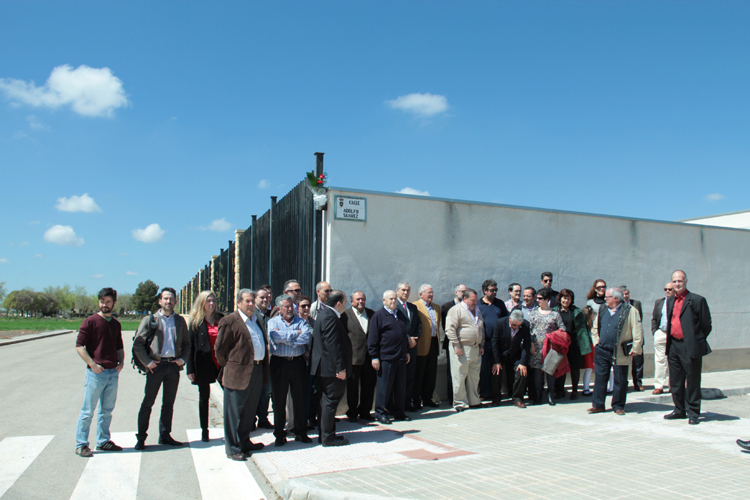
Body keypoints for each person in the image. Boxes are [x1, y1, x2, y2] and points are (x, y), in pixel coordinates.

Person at [133, 287, 190, 450]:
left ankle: (165, 435)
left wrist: (182, 359)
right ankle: (141, 437)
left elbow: (187, 343)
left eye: (171, 299)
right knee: (148, 402)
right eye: (165, 298)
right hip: (155, 367)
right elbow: (138, 344)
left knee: (168, 403)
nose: (168, 301)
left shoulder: (180, 321)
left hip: (173, 366)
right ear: (160, 301)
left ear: (176, 301)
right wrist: (147, 363)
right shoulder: (150, 320)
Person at [215, 289, 269, 461]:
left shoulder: (256, 320)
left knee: (249, 410)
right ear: (238, 303)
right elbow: (220, 349)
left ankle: (244, 441)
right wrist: (231, 366)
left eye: (253, 301)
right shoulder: (229, 321)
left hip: (257, 371)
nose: (251, 304)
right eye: (247, 301)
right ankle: (232, 448)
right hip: (237, 373)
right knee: (234, 413)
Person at [74, 287, 124, 457]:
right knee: (88, 410)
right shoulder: (90, 321)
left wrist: (121, 362)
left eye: (108, 302)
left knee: (107, 410)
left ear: (114, 303)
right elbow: (79, 346)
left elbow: (119, 346)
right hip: (96, 373)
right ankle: (81, 444)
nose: (105, 304)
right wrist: (92, 364)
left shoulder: (116, 324)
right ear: (99, 302)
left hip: (112, 373)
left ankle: (103, 441)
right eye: (102, 301)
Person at [664, 270, 712, 425]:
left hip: (689, 346)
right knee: (676, 381)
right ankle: (679, 410)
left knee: (692, 380)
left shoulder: (697, 300)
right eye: (675, 281)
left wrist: (695, 340)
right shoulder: (670, 300)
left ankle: (693, 412)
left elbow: (706, 325)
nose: (677, 284)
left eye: (680, 281)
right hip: (673, 345)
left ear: (686, 281)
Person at [587, 287, 643, 416]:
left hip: (620, 350)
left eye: (607, 297)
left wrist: (636, 347)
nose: (605, 299)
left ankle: (618, 405)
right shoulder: (603, 309)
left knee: (620, 379)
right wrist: (596, 342)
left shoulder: (630, 311)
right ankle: (598, 405)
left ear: (616, 299)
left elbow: (637, 330)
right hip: (602, 350)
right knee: (600, 378)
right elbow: (595, 327)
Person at [267, 294, 313, 446]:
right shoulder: (272, 322)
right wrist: (295, 336)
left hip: (297, 363)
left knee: (299, 398)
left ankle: (300, 432)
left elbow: (306, 337)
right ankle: (280, 434)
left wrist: (287, 339)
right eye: (286, 307)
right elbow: (274, 336)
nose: (289, 309)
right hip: (279, 363)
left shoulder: (301, 321)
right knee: (279, 400)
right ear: (279, 308)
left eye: (291, 306)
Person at [310, 290, 352, 446]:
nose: (346, 304)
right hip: (330, 369)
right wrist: (340, 368)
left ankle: (326, 434)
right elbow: (332, 345)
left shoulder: (326, 315)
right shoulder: (329, 317)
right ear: (339, 303)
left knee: (326, 402)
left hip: (326, 368)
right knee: (330, 402)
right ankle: (328, 437)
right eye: (346, 301)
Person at [369, 290, 411, 424]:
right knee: (384, 387)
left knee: (400, 387)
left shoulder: (400, 314)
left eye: (394, 299)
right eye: (390, 299)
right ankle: (380, 412)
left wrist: (407, 351)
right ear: (384, 300)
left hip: (400, 356)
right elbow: (373, 338)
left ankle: (399, 412)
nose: (393, 301)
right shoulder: (379, 316)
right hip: (386, 357)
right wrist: (374, 356)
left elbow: (404, 334)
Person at [187, 290, 224, 442]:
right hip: (203, 364)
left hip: (221, 364)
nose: (211, 304)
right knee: (204, 398)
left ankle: (232, 426)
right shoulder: (196, 322)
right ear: (202, 303)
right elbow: (190, 347)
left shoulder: (221, 319)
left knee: (231, 395)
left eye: (213, 301)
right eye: (208, 301)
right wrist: (190, 369)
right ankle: (204, 430)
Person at [445, 288, 485, 412]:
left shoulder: (477, 311)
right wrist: (456, 345)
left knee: (474, 376)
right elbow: (450, 329)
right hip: (462, 348)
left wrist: (481, 344)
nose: (475, 302)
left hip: (475, 348)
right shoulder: (456, 310)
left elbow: (481, 328)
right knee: (459, 375)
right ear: (465, 299)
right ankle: (459, 403)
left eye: (476, 300)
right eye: (473, 300)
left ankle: (474, 401)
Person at [342, 291, 376, 422]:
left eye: (363, 299)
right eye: (358, 299)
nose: (360, 301)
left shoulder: (372, 314)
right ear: (351, 302)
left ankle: (365, 411)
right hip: (353, 358)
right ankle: (352, 412)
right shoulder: (345, 315)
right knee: (352, 387)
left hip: (369, 357)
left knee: (368, 386)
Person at [527, 287, 565, 406]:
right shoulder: (533, 313)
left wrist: (553, 338)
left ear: (547, 299)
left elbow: (562, 329)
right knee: (537, 371)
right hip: (536, 347)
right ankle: (538, 395)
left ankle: (550, 394)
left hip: (550, 347)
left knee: (550, 371)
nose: (537, 300)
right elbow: (528, 330)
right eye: (537, 298)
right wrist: (531, 344)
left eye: (540, 298)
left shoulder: (555, 314)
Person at [553, 289, 592, 400]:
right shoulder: (555, 311)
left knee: (574, 368)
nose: (566, 301)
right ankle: (560, 390)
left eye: (568, 298)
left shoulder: (576, 311)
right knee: (560, 367)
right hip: (560, 345)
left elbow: (582, 330)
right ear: (560, 299)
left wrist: (585, 345)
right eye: (564, 298)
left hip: (574, 345)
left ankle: (574, 390)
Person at [477, 279, 509, 405]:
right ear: (485, 291)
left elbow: (505, 321)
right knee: (484, 369)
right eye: (492, 290)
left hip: (497, 343)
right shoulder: (478, 305)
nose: (494, 292)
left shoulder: (500, 304)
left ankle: (496, 393)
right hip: (484, 342)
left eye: (496, 290)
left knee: (497, 369)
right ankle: (485, 393)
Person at [492, 310, 531, 408]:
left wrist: (523, 362)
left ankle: (517, 398)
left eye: (519, 325)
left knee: (521, 372)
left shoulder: (525, 325)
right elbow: (494, 342)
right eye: (514, 325)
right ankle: (496, 398)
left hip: (515, 354)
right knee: (496, 372)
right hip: (501, 354)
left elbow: (527, 345)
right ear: (510, 318)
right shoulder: (500, 323)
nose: (516, 327)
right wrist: (496, 361)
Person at [413, 284, 441, 409]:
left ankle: (427, 398)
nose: (431, 295)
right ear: (421, 294)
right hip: (421, 344)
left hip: (434, 342)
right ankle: (416, 400)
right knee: (419, 374)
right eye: (428, 293)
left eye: (432, 292)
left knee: (431, 373)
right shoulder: (415, 306)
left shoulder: (436, 307)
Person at [396, 282, 421, 411]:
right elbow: (395, 326)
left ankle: (407, 403)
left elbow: (418, 325)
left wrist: (415, 338)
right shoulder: (394, 307)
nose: (405, 293)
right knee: (399, 377)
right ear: (397, 291)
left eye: (408, 290)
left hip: (412, 347)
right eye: (403, 290)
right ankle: (398, 404)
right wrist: (407, 338)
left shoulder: (412, 307)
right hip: (400, 347)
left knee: (410, 376)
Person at [252, 288, 274, 431]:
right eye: (262, 298)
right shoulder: (252, 316)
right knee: (254, 392)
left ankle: (263, 418)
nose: (265, 300)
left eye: (267, 297)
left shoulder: (270, 315)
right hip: (255, 361)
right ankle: (251, 419)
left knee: (266, 391)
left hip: (269, 361)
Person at [441, 284, 466, 404]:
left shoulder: (468, 306)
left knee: (464, 371)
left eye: (466, 291)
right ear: (456, 292)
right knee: (452, 372)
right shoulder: (446, 307)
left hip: (467, 345)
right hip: (452, 344)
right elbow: (445, 326)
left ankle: (464, 397)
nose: (464, 293)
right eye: (462, 291)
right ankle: (453, 398)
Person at [298, 296, 321, 430]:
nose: (306, 308)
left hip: (313, 363)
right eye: (303, 306)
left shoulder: (314, 322)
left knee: (311, 393)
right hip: (299, 363)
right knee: (301, 393)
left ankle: (309, 418)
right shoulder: (295, 322)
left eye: (308, 306)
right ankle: (301, 420)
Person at [650, 282, 674, 395]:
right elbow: (654, 318)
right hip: (661, 333)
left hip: (673, 335)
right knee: (660, 361)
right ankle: (659, 386)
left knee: (673, 361)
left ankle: (673, 385)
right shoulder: (659, 302)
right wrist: (655, 332)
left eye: (670, 289)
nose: (668, 291)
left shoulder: (678, 302)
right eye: (666, 289)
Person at [621, 286, 644, 391]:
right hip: (624, 338)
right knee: (624, 362)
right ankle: (623, 383)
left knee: (638, 361)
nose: (625, 296)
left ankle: (638, 382)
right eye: (623, 294)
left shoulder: (636, 304)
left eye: (627, 294)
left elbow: (640, 319)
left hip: (635, 337)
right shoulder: (618, 305)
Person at [580, 305, 597, 396]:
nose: (595, 315)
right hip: (589, 348)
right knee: (589, 368)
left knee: (591, 368)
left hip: (592, 347)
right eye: (593, 314)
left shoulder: (592, 325)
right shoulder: (585, 327)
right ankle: (586, 388)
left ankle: (590, 387)